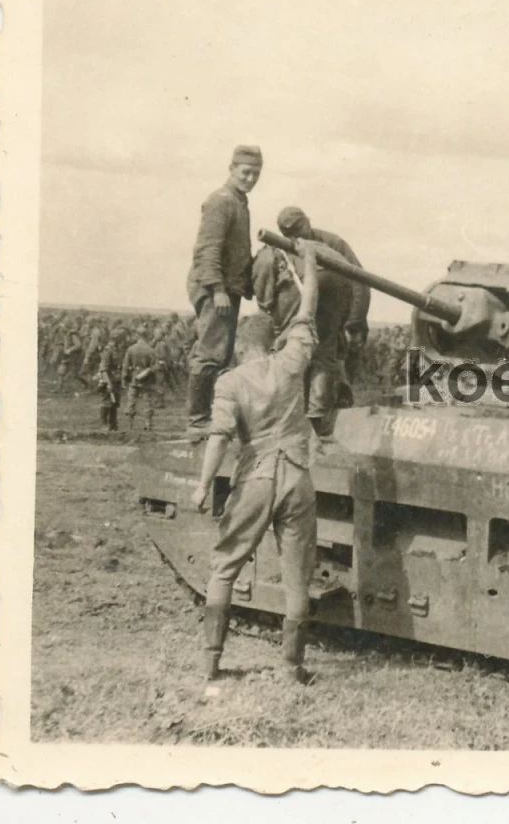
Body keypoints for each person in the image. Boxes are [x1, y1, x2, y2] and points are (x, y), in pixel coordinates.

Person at [191, 238, 322, 685]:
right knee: (296, 576)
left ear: (241, 348)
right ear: (270, 343)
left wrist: (202, 486)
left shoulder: (231, 382)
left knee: (225, 565)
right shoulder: (290, 364)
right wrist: (310, 267)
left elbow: (219, 438)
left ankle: (211, 662)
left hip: (257, 479)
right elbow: (307, 312)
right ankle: (291, 667)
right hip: (298, 478)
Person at [252, 206, 364, 440]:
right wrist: (351, 321)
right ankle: (318, 419)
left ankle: (289, 415)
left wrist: (272, 316)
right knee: (324, 353)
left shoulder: (270, 252)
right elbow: (358, 280)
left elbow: (264, 295)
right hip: (338, 286)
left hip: (304, 289)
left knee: (292, 353)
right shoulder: (329, 245)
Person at [185, 145, 262, 438]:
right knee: (211, 351)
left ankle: (209, 416)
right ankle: (198, 420)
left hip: (227, 287)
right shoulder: (222, 201)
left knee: (221, 351)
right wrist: (217, 289)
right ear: (231, 169)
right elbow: (207, 250)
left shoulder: (238, 201)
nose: (251, 178)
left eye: (256, 173)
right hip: (214, 286)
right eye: (246, 172)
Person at [121, 328, 160, 431]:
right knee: (147, 402)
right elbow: (156, 366)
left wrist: (124, 379)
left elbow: (125, 365)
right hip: (146, 380)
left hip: (134, 379)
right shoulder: (150, 350)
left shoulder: (131, 349)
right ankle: (148, 425)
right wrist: (148, 372)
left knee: (131, 401)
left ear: (137, 335)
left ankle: (130, 425)